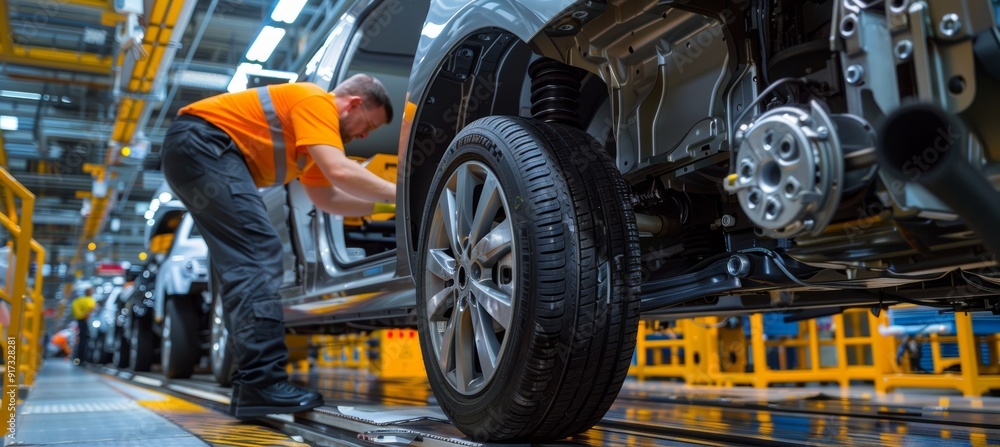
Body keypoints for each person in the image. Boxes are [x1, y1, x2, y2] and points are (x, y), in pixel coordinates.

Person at [160, 74, 397, 419]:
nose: (364, 135)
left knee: (246, 260)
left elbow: (326, 197)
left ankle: (251, 387)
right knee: (258, 252)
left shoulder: (315, 137)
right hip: (205, 144)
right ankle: (262, 383)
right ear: (354, 104)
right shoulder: (316, 100)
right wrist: (399, 193)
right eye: (369, 126)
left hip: (197, 149)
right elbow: (340, 171)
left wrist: (387, 209)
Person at [71, 288, 96, 365]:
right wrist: (86, 315)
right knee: (86, 340)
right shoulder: (90, 300)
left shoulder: (77, 301)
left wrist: (80, 315)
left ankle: (78, 359)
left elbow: (74, 310)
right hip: (86, 322)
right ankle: (84, 360)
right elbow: (91, 309)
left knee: (81, 340)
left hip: (79, 321)